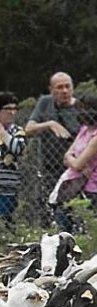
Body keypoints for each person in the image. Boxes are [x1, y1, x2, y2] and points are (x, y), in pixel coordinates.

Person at [25, 72, 80, 226]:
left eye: (67, 86)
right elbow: (28, 129)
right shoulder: (45, 103)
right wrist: (50, 124)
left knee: (74, 211)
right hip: (49, 169)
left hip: (75, 169)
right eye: (59, 87)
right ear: (51, 90)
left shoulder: (81, 107)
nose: (64, 91)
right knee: (50, 210)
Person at [49, 94, 97, 233]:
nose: (80, 112)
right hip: (71, 184)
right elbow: (67, 156)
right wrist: (76, 163)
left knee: (81, 228)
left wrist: (76, 162)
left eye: (84, 109)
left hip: (88, 188)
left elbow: (77, 163)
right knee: (62, 224)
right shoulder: (84, 129)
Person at [0, 92, 27, 226]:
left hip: (8, 187)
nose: (12, 112)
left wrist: (2, 132)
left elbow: (18, 148)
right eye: (7, 109)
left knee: (5, 221)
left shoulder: (17, 131)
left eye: (14, 109)